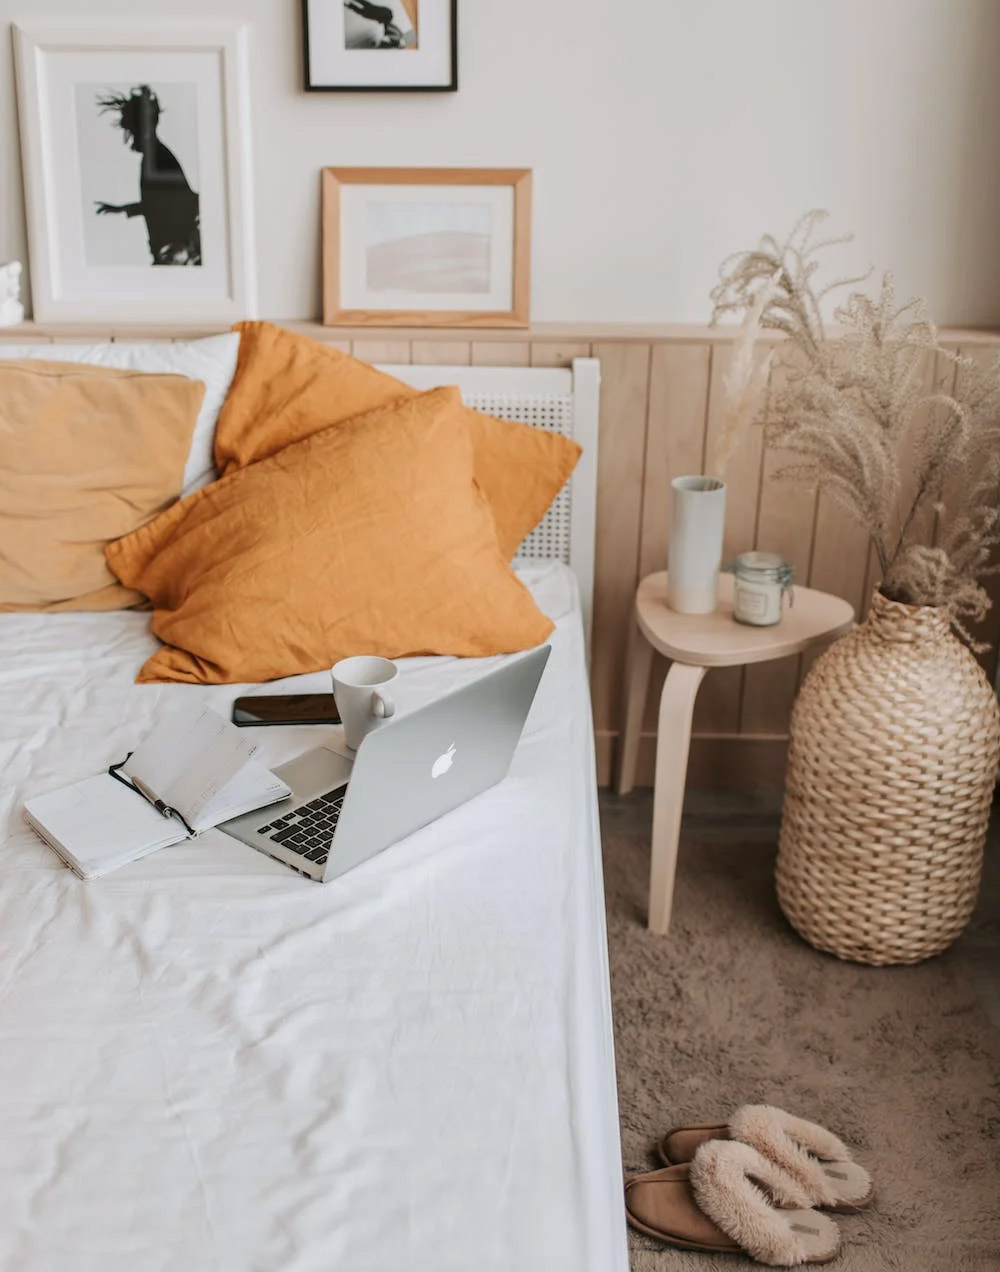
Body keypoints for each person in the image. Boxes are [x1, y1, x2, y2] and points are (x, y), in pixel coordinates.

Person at [94, 85, 201, 266]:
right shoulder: (154, 158)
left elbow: (183, 201)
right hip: (173, 252)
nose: (132, 138)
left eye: (134, 131)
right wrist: (123, 209)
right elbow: (159, 204)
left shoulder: (158, 159)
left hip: (178, 253)